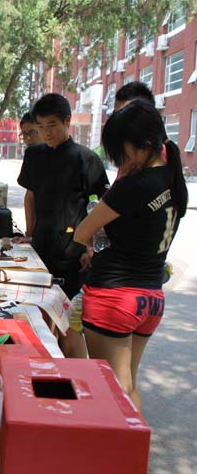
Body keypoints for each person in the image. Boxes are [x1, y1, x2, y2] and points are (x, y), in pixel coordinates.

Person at [73, 100, 187, 411]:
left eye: (120, 152)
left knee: (112, 394)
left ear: (143, 145)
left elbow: (82, 232)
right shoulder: (175, 183)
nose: (119, 160)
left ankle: (120, 444)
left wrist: (98, 240)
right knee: (128, 385)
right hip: (151, 298)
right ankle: (137, 442)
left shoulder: (133, 186)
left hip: (115, 297)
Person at [17, 93, 109, 358]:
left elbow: (100, 208)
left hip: (73, 253)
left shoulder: (86, 159)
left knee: (69, 325)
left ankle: (76, 374)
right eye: (41, 127)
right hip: (41, 248)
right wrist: (29, 233)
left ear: (67, 122)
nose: (47, 133)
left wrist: (90, 247)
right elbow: (31, 196)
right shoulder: (34, 155)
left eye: (52, 125)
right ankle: (47, 366)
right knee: (39, 318)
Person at [17, 111, 45, 240]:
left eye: (32, 133)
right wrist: (29, 234)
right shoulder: (31, 155)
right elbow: (30, 195)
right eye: (24, 134)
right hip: (39, 233)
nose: (27, 138)